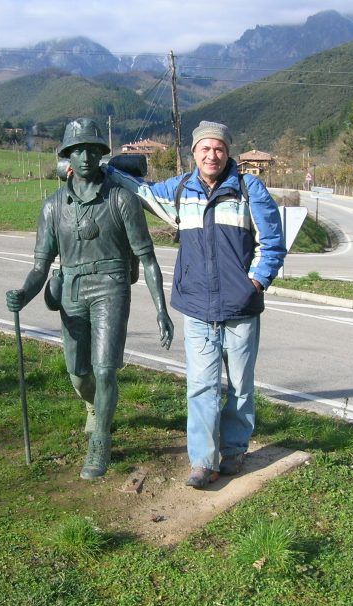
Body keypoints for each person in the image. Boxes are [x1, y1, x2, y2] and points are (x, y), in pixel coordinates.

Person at [106, 121, 286, 488]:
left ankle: (234, 449)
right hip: (198, 307)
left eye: (218, 148)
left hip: (241, 308)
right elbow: (145, 193)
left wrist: (254, 283)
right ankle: (203, 462)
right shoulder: (182, 188)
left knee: (240, 386)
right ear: (194, 152)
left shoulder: (249, 189)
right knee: (201, 385)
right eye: (204, 148)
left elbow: (273, 243)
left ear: (228, 152)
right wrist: (105, 167)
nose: (212, 155)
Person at [6, 118, 174, 480]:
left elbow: (147, 259)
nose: (84, 156)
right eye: (77, 150)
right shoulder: (53, 207)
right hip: (72, 290)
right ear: (67, 157)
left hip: (111, 285)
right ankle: (94, 407)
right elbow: (40, 265)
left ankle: (100, 441)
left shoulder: (121, 199)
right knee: (79, 374)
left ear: (101, 154)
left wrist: (162, 309)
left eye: (92, 149)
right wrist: (24, 291)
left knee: (104, 369)